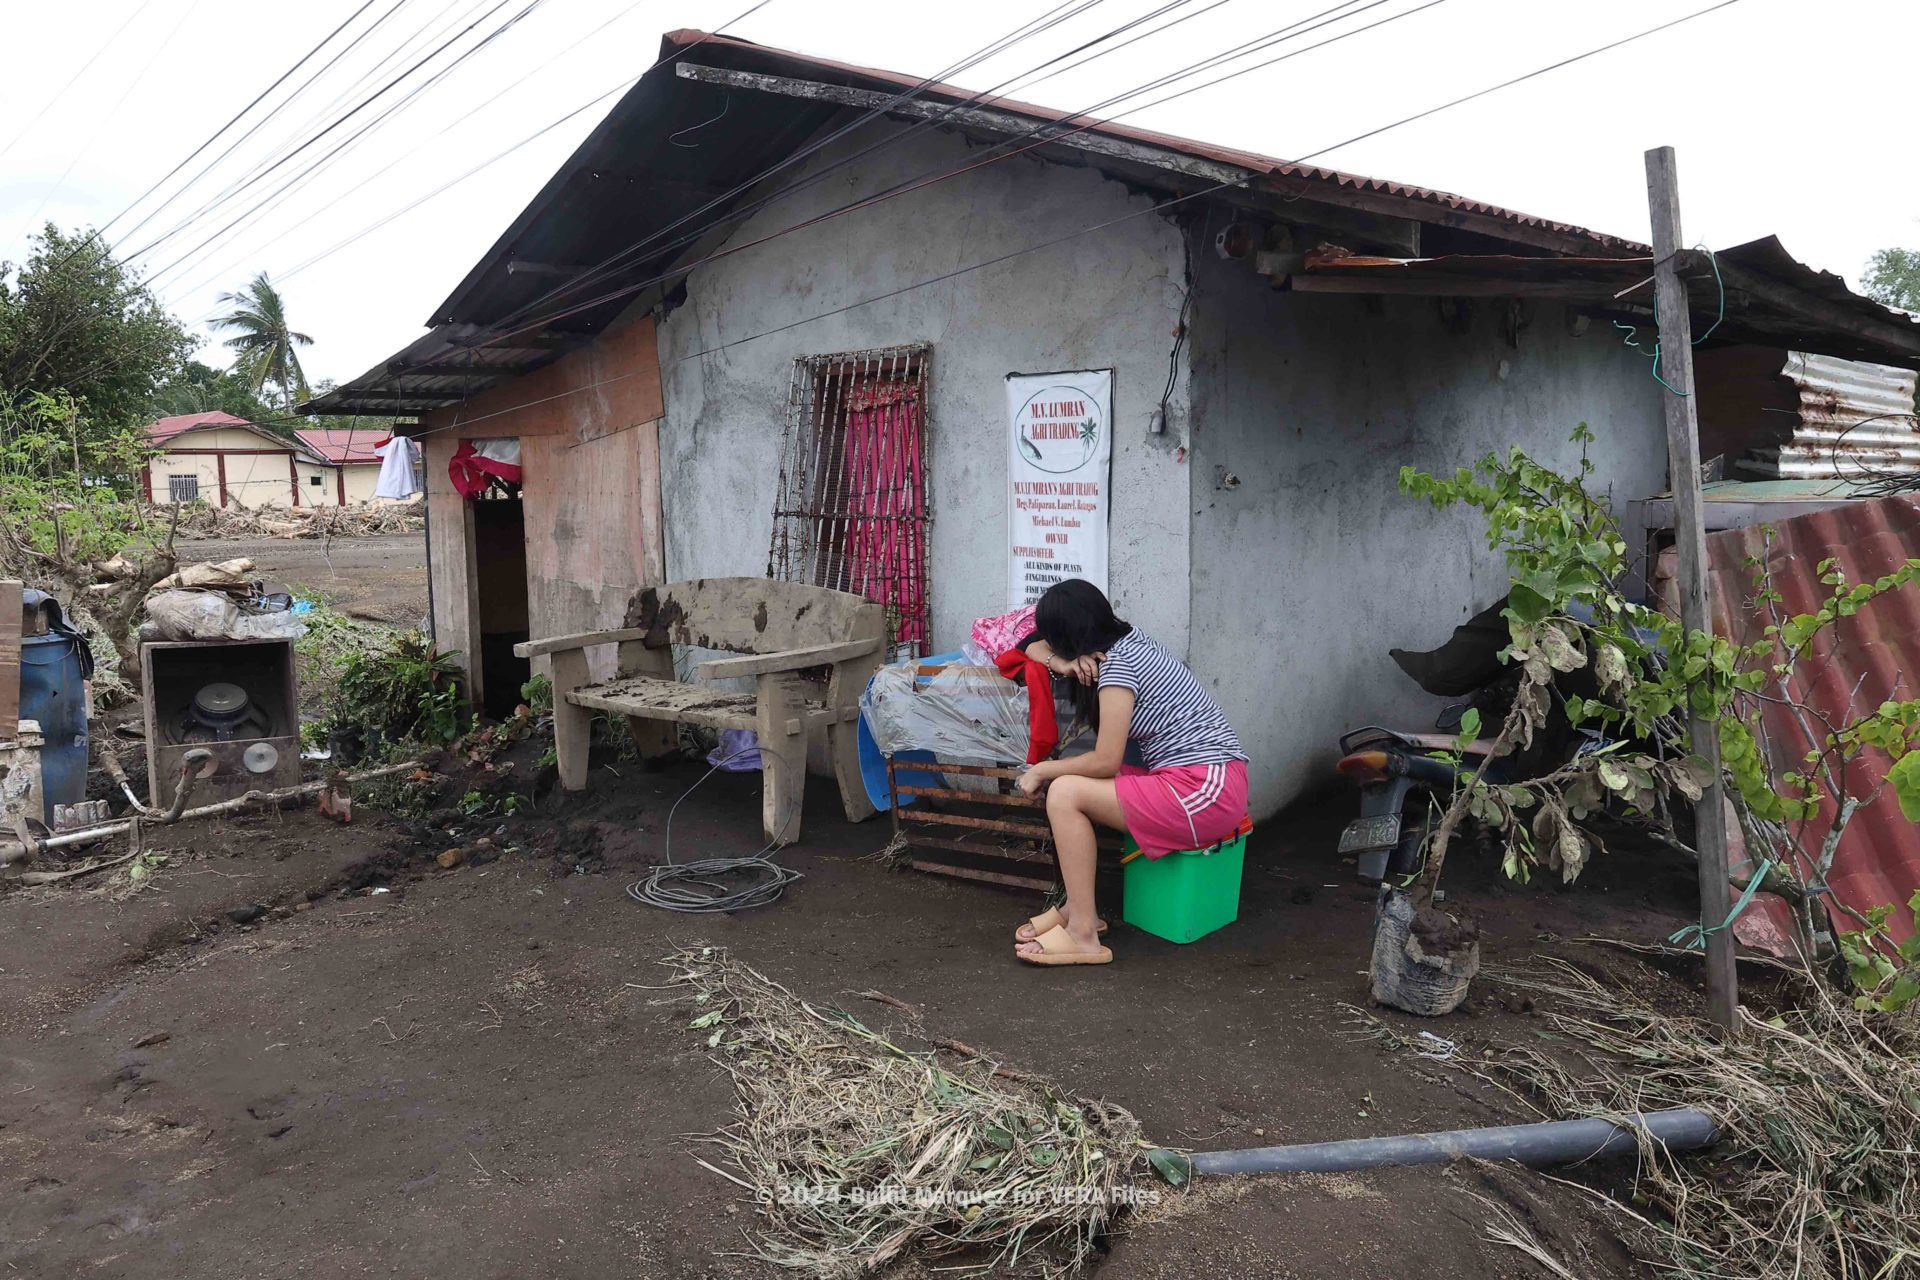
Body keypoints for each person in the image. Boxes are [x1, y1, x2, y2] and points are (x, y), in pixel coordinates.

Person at [1011, 579, 1248, 966]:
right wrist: (1061, 662)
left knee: (1065, 791)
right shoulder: (1128, 639)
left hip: (1206, 791)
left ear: (1074, 635)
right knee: (1074, 784)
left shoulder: (1119, 666)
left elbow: (1105, 760)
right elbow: (1027, 642)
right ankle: (1077, 908)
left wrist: (1043, 768)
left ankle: (1083, 934)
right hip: (1201, 781)